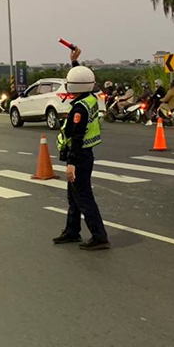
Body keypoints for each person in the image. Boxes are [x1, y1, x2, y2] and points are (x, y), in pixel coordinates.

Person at [53, 45, 110, 251]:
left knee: (84, 197)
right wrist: (74, 62)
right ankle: (72, 230)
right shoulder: (90, 98)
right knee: (74, 196)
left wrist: (71, 164)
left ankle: (99, 236)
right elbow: (83, 80)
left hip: (79, 157)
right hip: (85, 155)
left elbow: (76, 137)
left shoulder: (79, 108)